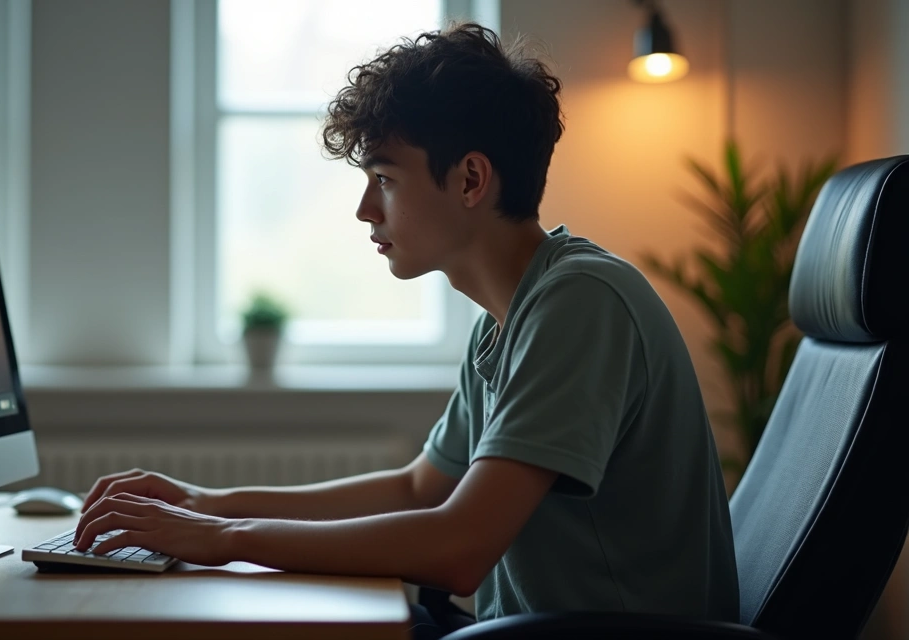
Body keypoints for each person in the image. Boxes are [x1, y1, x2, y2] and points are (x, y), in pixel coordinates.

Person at [73, 22, 739, 639]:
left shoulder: (581, 303)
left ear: (471, 179)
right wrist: (208, 503)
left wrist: (225, 538)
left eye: (385, 179)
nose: (366, 210)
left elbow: (457, 549)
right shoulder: (506, 321)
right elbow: (422, 488)